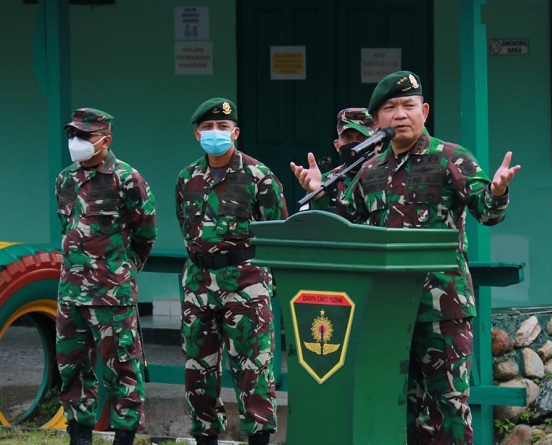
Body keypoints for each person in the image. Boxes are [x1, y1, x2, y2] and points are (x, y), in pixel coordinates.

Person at [291, 71, 520, 444]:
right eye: (391, 108)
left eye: (409, 106)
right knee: (403, 407)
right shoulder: (369, 169)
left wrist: (497, 192)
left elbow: (487, 213)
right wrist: (319, 193)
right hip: (388, 309)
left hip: (442, 306)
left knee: (448, 406)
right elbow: (348, 225)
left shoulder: (450, 158)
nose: (400, 114)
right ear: (377, 120)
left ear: (424, 111)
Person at [175, 97, 288, 445]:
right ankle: (205, 437)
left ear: (235, 132)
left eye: (223, 127)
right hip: (199, 282)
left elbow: (277, 230)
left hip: (246, 281)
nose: (215, 133)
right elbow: (186, 226)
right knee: (198, 369)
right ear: (197, 134)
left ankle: (258, 439)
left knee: (253, 369)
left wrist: (269, 283)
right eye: (208, 127)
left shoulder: (259, 176)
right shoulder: (186, 178)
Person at [55, 108, 157, 445]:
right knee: (71, 367)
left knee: (122, 370)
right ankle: (79, 434)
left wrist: (120, 271)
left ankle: (124, 436)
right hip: (71, 293)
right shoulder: (65, 179)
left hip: (111, 295)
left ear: (105, 140)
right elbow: (67, 227)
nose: (76, 142)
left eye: (84, 136)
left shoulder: (127, 179)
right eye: (73, 135)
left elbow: (145, 234)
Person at [303, 107, 378, 212]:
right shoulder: (325, 182)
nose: (354, 145)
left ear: (379, 144)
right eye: (347, 138)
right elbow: (310, 223)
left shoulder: (390, 175)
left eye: (362, 138)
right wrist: (319, 195)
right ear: (337, 145)